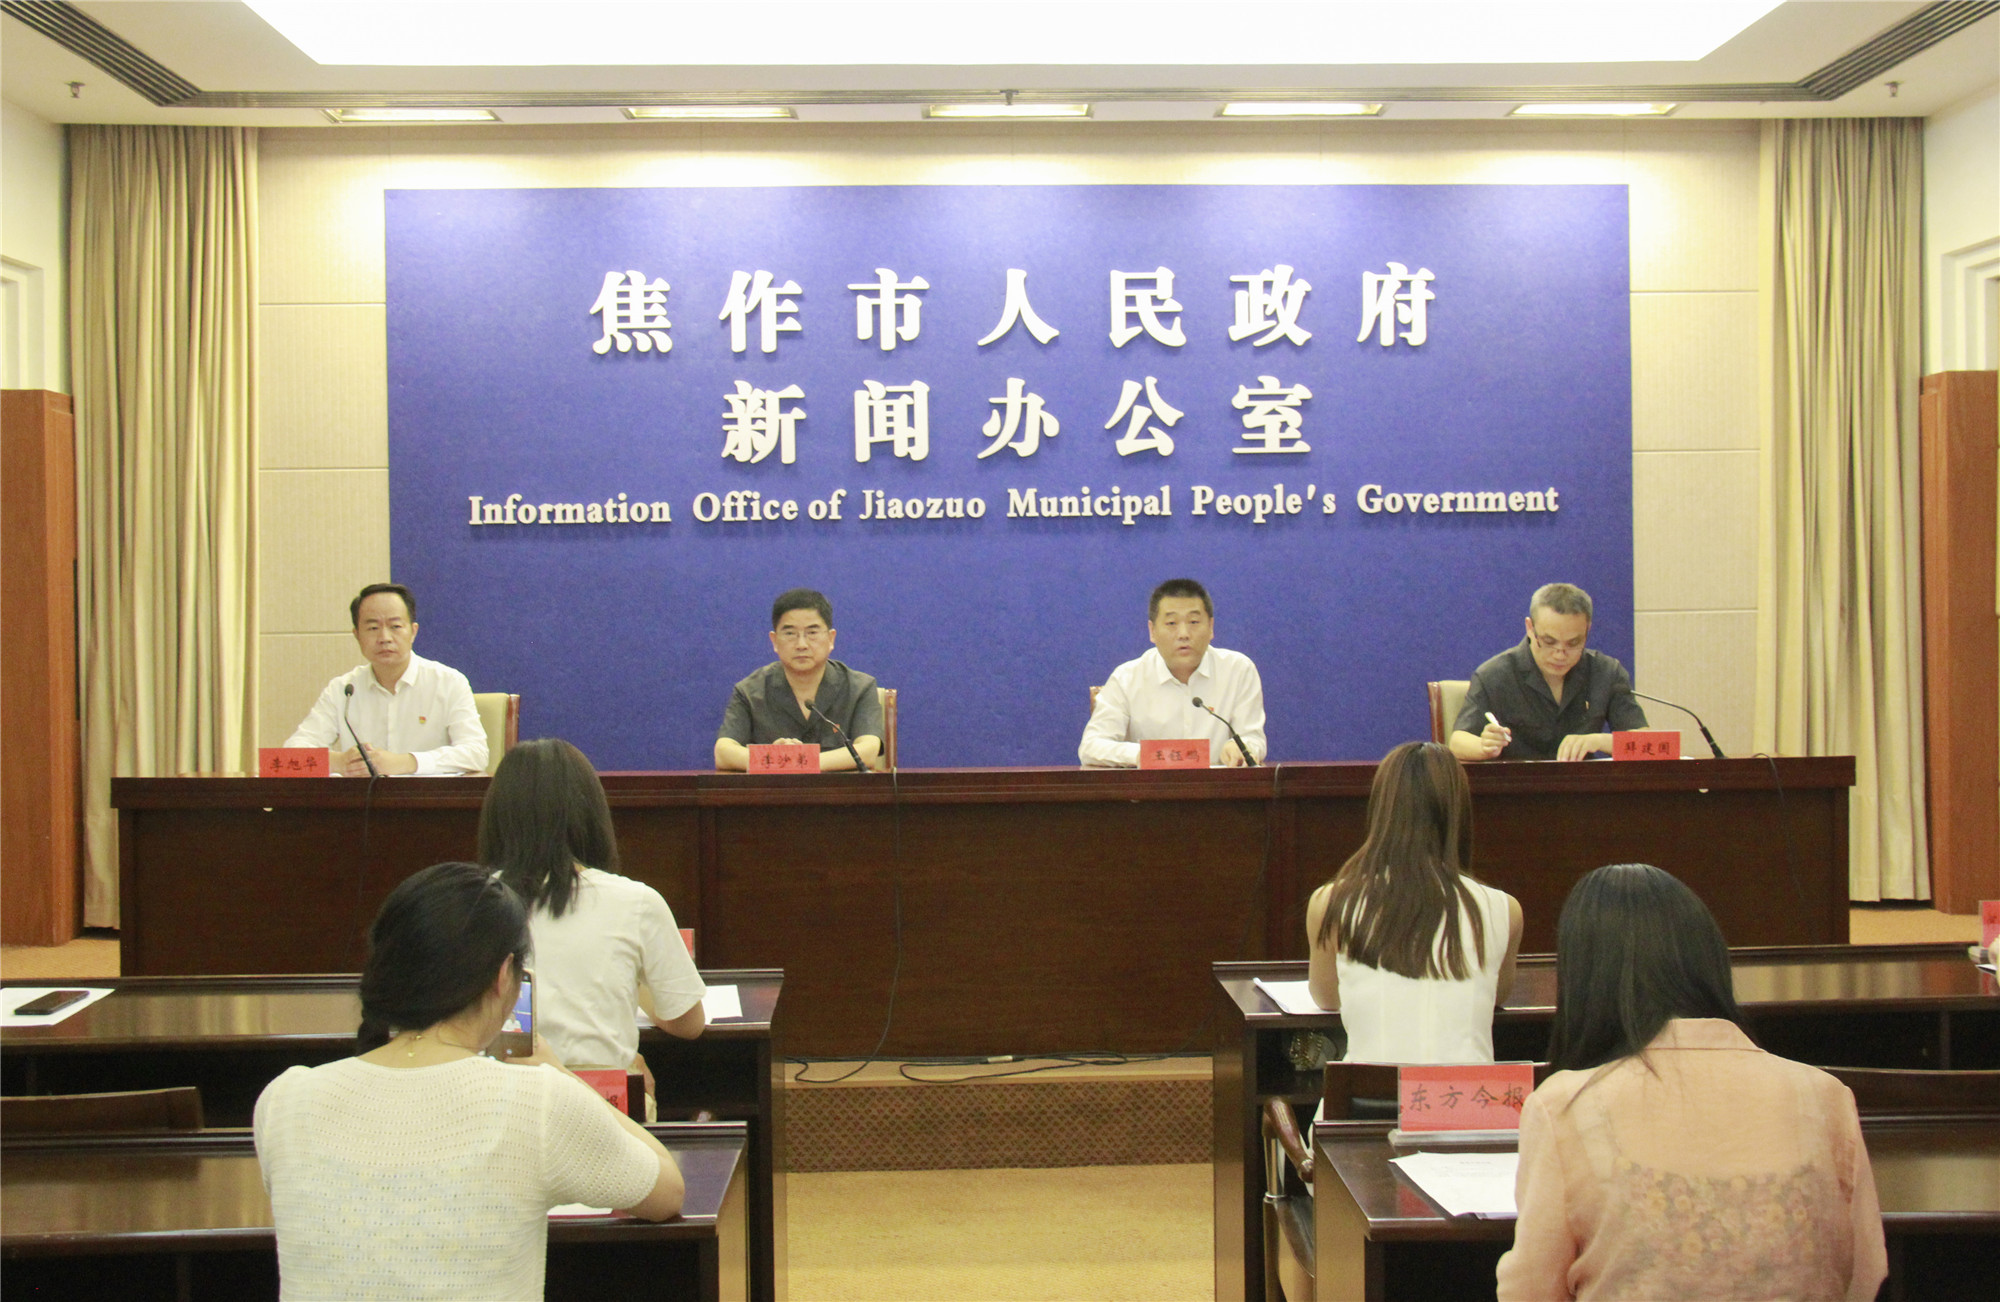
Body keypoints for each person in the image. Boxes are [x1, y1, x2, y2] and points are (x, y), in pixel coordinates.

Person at [253, 861, 683, 1300]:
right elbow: (667, 1190)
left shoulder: (285, 1099)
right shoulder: (535, 1101)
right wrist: (563, 1075)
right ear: (503, 976)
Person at [1497, 864, 1886, 1301]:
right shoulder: (1825, 1095)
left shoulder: (1563, 1106)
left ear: (1583, 982)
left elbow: (1530, 1291)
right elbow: (1866, 1277)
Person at [480, 738, 706, 1103]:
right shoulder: (637, 902)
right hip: (603, 1103)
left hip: (498, 1102)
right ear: (590, 813)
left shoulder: (468, 902)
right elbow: (689, 1023)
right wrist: (635, 987)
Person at [1304, 741, 1522, 1061]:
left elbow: (1327, 998)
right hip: (1469, 1094)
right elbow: (1496, 994)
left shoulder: (1330, 903)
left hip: (1365, 1094)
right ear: (1459, 813)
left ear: (1382, 810)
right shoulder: (1505, 910)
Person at [283, 582, 488, 776]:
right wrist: (340, 762)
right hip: (362, 800)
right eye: (373, 628)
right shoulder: (343, 689)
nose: (384, 638)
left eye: (395, 626)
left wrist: (406, 762)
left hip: (428, 799)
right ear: (357, 635)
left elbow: (476, 753)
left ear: (413, 632)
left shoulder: (449, 683)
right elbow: (291, 754)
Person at [1449, 582, 1648, 763]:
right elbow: (1457, 742)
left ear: (1587, 630)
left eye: (1573, 643)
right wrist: (1484, 747)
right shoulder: (1495, 675)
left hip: (1582, 786)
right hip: (1517, 786)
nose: (1560, 654)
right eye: (1549, 642)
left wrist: (1599, 741)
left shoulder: (1606, 672)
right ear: (1530, 628)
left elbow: (1648, 744)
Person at [1079, 578, 1266, 767]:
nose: (1183, 633)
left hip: (1218, 785)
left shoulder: (1238, 670)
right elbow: (1091, 746)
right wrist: (1147, 755)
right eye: (1171, 623)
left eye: (1194, 622)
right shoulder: (1127, 678)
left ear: (1211, 627)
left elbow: (1253, 738)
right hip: (1150, 785)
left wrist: (1241, 747)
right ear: (1152, 631)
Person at [715, 588, 884, 771]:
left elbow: (868, 751)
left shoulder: (860, 688)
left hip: (840, 790)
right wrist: (780, 759)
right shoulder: (749, 691)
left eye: (812, 633)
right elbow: (723, 753)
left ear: (831, 638)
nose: (801, 644)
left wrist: (795, 761)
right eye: (790, 634)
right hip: (773, 790)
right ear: (774, 641)